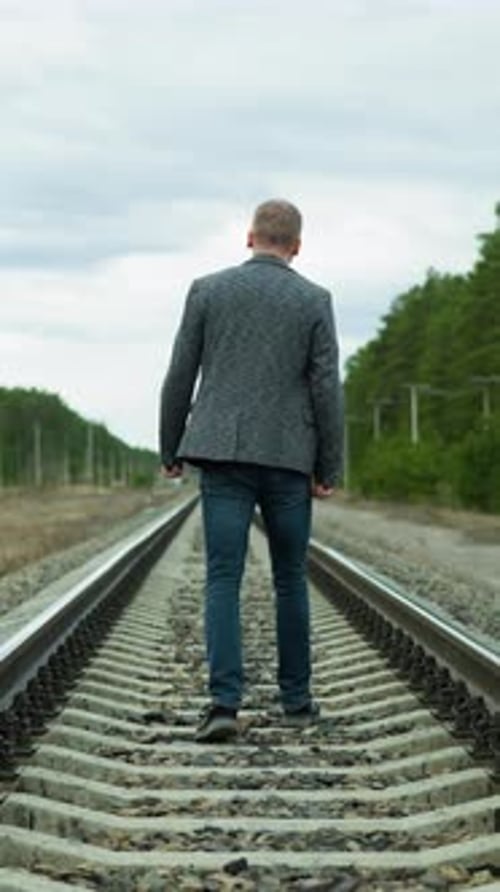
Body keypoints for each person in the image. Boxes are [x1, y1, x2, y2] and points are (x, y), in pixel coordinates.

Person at [159, 199, 343, 742]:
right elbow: (325, 389)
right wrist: (328, 465)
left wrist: (171, 448)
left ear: (249, 237)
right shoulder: (314, 299)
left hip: (223, 453)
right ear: (297, 246)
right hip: (289, 458)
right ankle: (298, 702)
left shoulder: (207, 290)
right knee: (290, 578)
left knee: (223, 575)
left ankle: (223, 704)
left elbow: (179, 377)